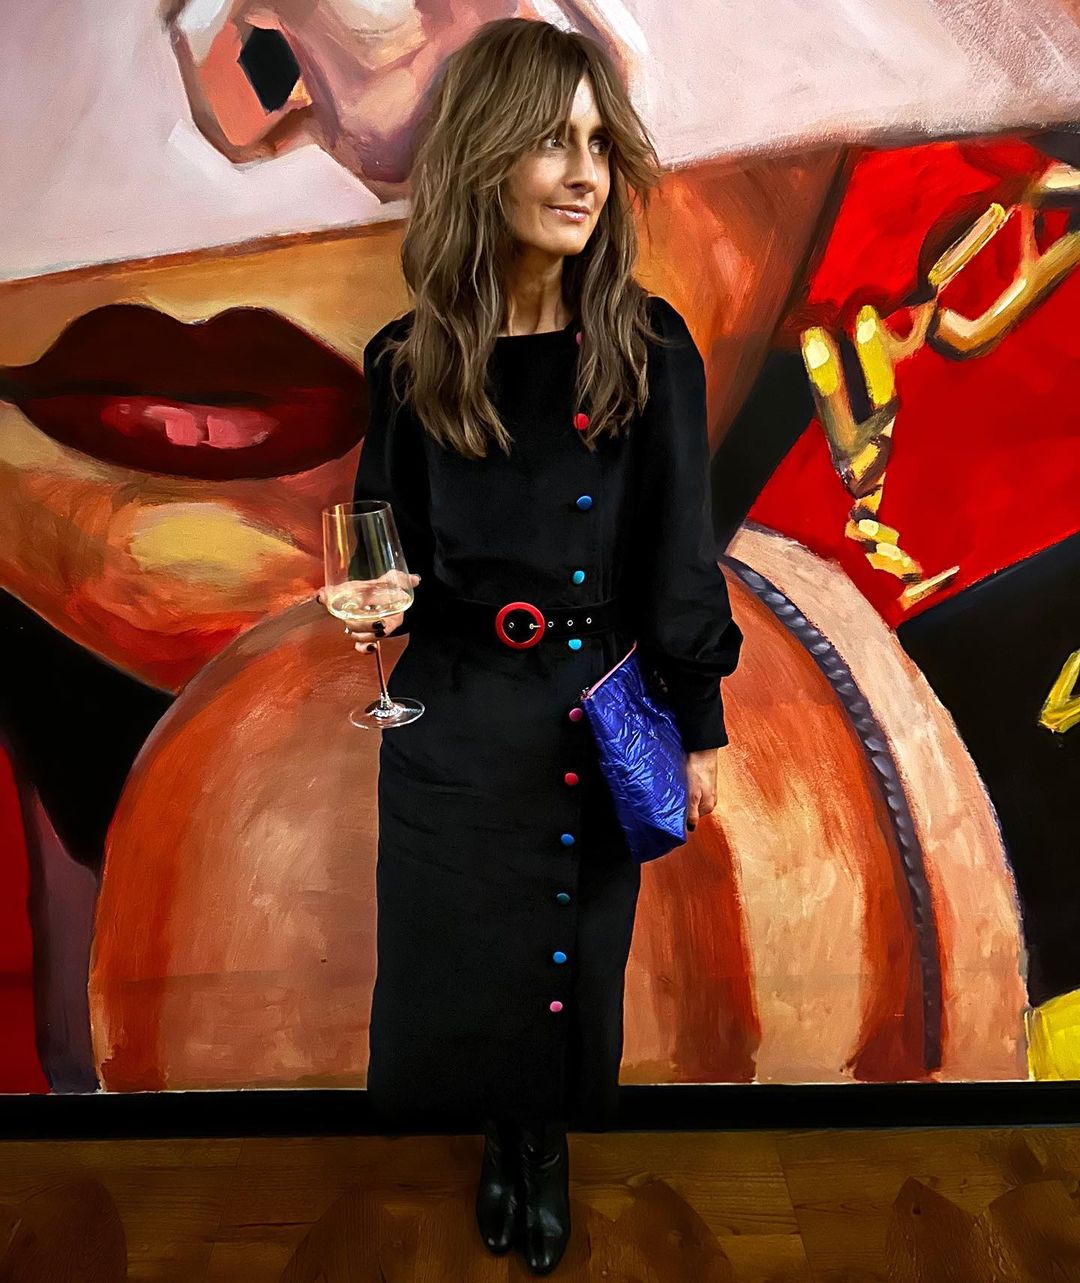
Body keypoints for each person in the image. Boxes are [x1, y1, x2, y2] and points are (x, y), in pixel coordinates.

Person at [332, 17, 744, 1275]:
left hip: (590, 706)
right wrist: (373, 602)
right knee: (463, 958)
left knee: (571, 958)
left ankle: (544, 1141)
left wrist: (700, 724)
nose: (584, 175)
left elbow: (680, 558)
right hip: (455, 708)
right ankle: (497, 1133)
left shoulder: (645, 347)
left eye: (598, 146)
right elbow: (385, 546)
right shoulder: (408, 360)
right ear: (484, 157)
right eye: (552, 143)